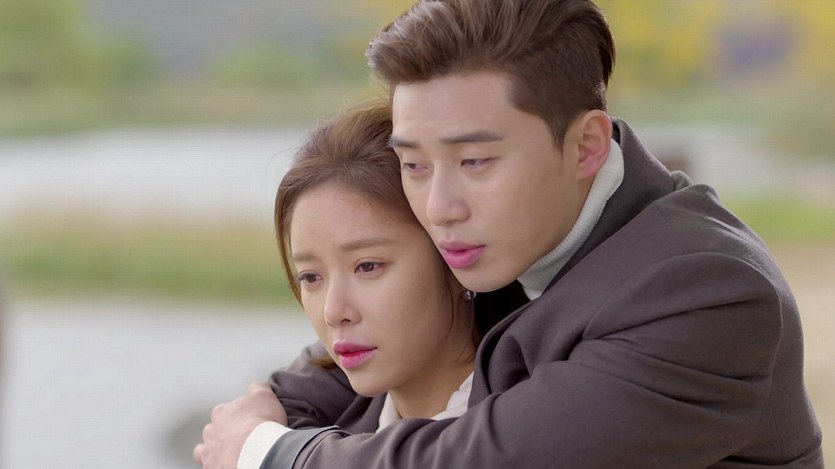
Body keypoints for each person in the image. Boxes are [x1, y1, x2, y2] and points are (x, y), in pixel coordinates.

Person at [196, 0, 823, 467]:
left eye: (475, 161)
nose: (439, 207)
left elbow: (487, 460)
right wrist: (268, 408)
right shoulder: (516, 238)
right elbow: (354, 349)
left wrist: (271, 453)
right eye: (413, 164)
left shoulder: (704, 291)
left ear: (586, 145)